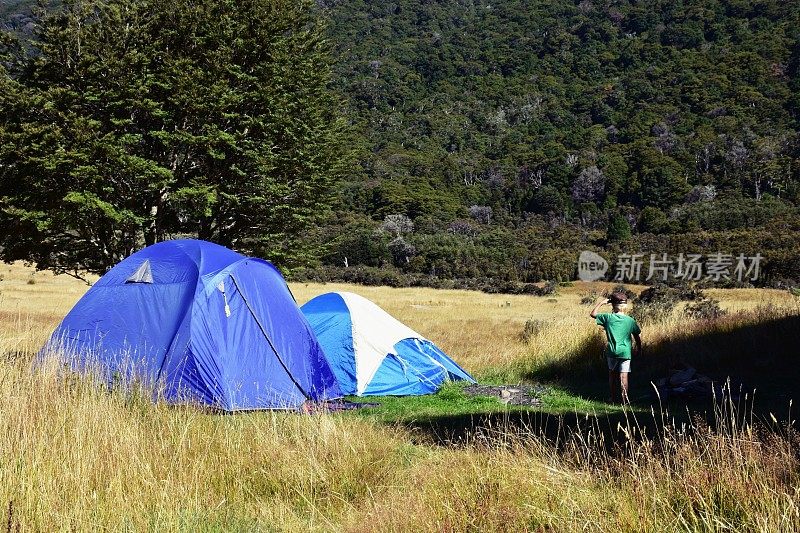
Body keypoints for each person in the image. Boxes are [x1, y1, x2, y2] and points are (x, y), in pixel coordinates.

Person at [589, 292, 642, 404]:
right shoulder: (630, 321)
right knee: (624, 377)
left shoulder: (608, 318)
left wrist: (601, 303)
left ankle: (613, 399)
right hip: (625, 352)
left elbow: (593, 314)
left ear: (613, 305)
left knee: (612, 376)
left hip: (612, 352)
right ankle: (624, 401)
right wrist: (639, 348)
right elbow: (637, 336)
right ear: (625, 306)